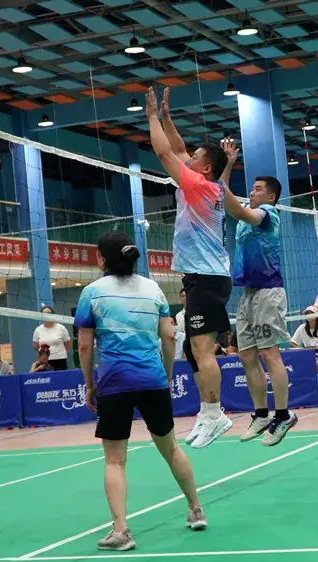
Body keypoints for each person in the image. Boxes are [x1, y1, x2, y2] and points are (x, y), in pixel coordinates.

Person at [76, 231, 206, 551]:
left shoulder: (92, 293)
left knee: (114, 461)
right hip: (153, 380)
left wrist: (90, 385)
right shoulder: (153, 289)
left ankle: (121, 531)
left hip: (114, 383)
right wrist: (166, 376)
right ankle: (196, 510)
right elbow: (169, 337)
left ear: (102, 259)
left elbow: (84, 346)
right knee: (171, 449)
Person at [147, 86, 233, 448]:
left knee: (202, 350)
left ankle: (215, 415)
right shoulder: (207, 183)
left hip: (207, 278)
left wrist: (151, 117)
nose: (188, 159)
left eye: (195, 158)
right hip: (204, 277)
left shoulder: (199, 185)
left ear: (205, 168)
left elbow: (165, 152)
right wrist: (167, 118)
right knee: (193, 352)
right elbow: (179, 149)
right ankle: (207, 412)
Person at [217, 140, 297, 445]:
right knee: (247, 355)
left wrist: (225, 181)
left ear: (271, 196)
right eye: (251, 188)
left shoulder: (267, 214)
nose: (253, 191)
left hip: (268, 292)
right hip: (247, 294)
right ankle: (261, 413)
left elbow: (233, 204)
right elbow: (222, 195)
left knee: (268, 353)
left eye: (258, 188)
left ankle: (283, 415)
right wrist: (228, 164)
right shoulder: (245, 213)